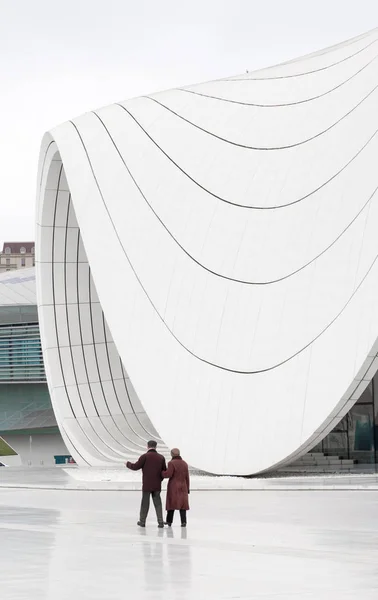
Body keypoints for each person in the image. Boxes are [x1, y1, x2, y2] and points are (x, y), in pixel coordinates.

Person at [126, 440, 166, 528]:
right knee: (158, 503)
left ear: (147, 446)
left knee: (145, 503)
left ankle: (142, 521)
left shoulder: (144, 456)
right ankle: (160, 522)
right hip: (157, 485)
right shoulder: (161, 457)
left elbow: (135, 467)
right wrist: (160, 479)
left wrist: (128, 464)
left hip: (147, 484)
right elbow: (164, 471)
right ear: (156, 447)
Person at [162, 448, 190, 527]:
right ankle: (183, 522)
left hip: (174, 486)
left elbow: (168, 474)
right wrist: (187, 488)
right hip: (183, 486)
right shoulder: (185, 463)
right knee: (183, 505)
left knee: (171, 503)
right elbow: (187, 477)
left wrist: (162, 472)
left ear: (172, 454)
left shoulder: (171, 463)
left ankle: (169, 521)